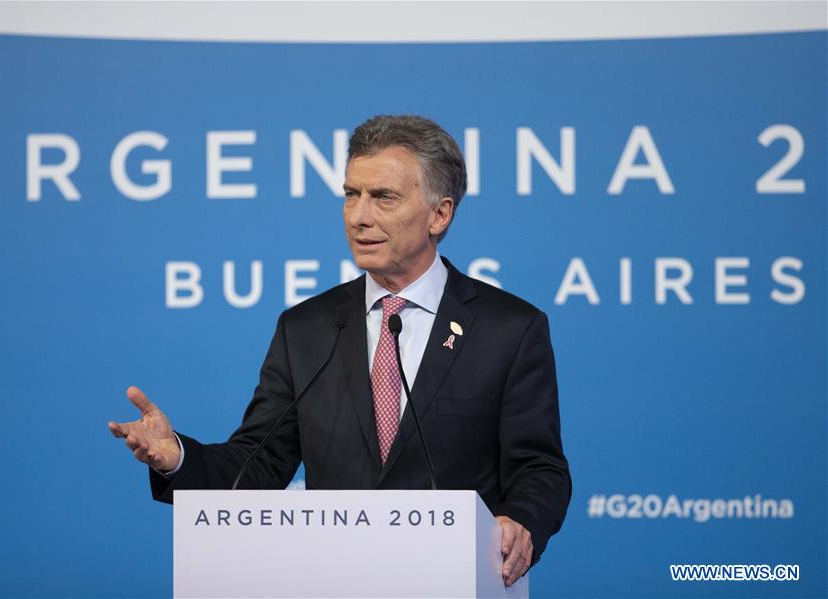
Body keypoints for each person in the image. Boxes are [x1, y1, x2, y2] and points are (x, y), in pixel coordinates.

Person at [109, 114, 571, 586]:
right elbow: (259, 465)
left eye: (383, 197)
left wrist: (521, 521)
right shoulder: (306, 329)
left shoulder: (508, 329)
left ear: (440, 214)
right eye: (352, 194)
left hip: (457, 581)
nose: (359, 216)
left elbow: (540, 468)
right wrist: (180, 456)